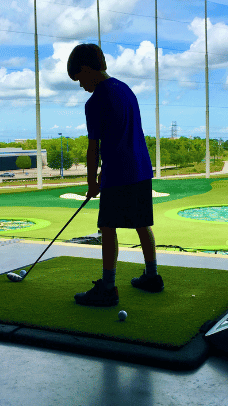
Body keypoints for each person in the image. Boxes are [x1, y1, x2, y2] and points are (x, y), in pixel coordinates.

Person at [67, 43, 164, 307]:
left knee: (107, 228)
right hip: (141, 168)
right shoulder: (126, 90)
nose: (80, 86)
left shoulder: (95, 101)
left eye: (79, 79)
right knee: (142, 224)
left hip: (119, 172)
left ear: (87, 69)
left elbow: (93, 147)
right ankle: (152, 277)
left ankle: (108, 288)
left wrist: (91, 182)